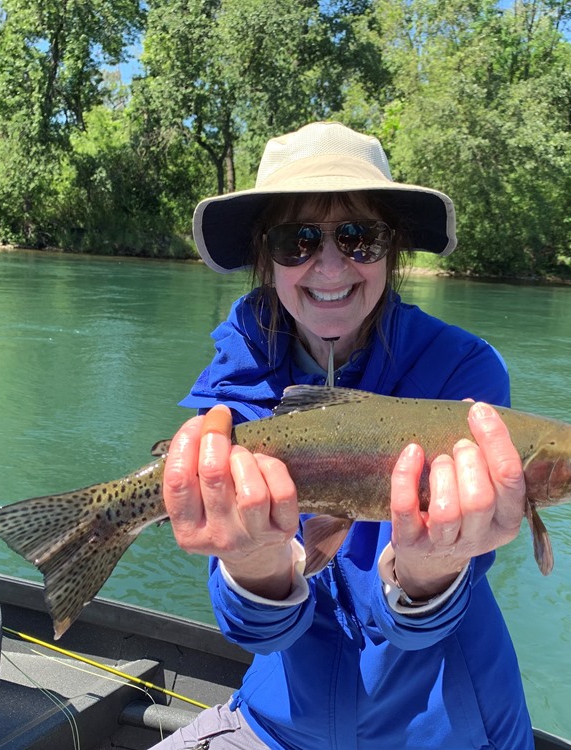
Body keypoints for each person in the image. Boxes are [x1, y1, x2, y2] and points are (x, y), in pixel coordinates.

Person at [154, 122, 533, 749]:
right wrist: (252, 567)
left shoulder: (464, 375)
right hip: (277, 727)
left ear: (391, 249)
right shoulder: (230, 390)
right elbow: (258, 633)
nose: (329, 265)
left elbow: (420, 628)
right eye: (296, 240)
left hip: (449, 734)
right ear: (264, 256)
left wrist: (428, 573)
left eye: (359, 237)